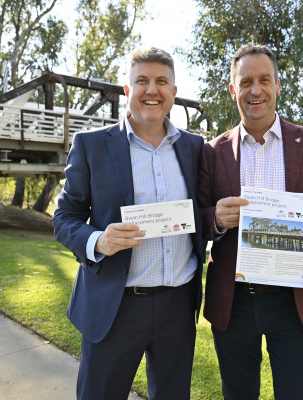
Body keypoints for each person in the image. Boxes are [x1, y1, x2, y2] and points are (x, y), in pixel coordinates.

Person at [198, 43, 303, 400]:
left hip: (296, 300)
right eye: (246, 82)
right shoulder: (212, 152)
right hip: (233, 303)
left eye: (264, 80)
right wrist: (215, 218)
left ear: (278, 86)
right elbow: (198, 216)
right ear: (233, 89)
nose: (256, 90)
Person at [52, 47, 205, 400]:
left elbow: (204, 213)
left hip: (178, 306)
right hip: (115, 305)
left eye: (161, 81)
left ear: (173, 92)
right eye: (142, 81)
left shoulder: (196, 148)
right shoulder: (91, 145)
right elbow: (64, 218)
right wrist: (98, 240)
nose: (152, 90)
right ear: (127, 89)